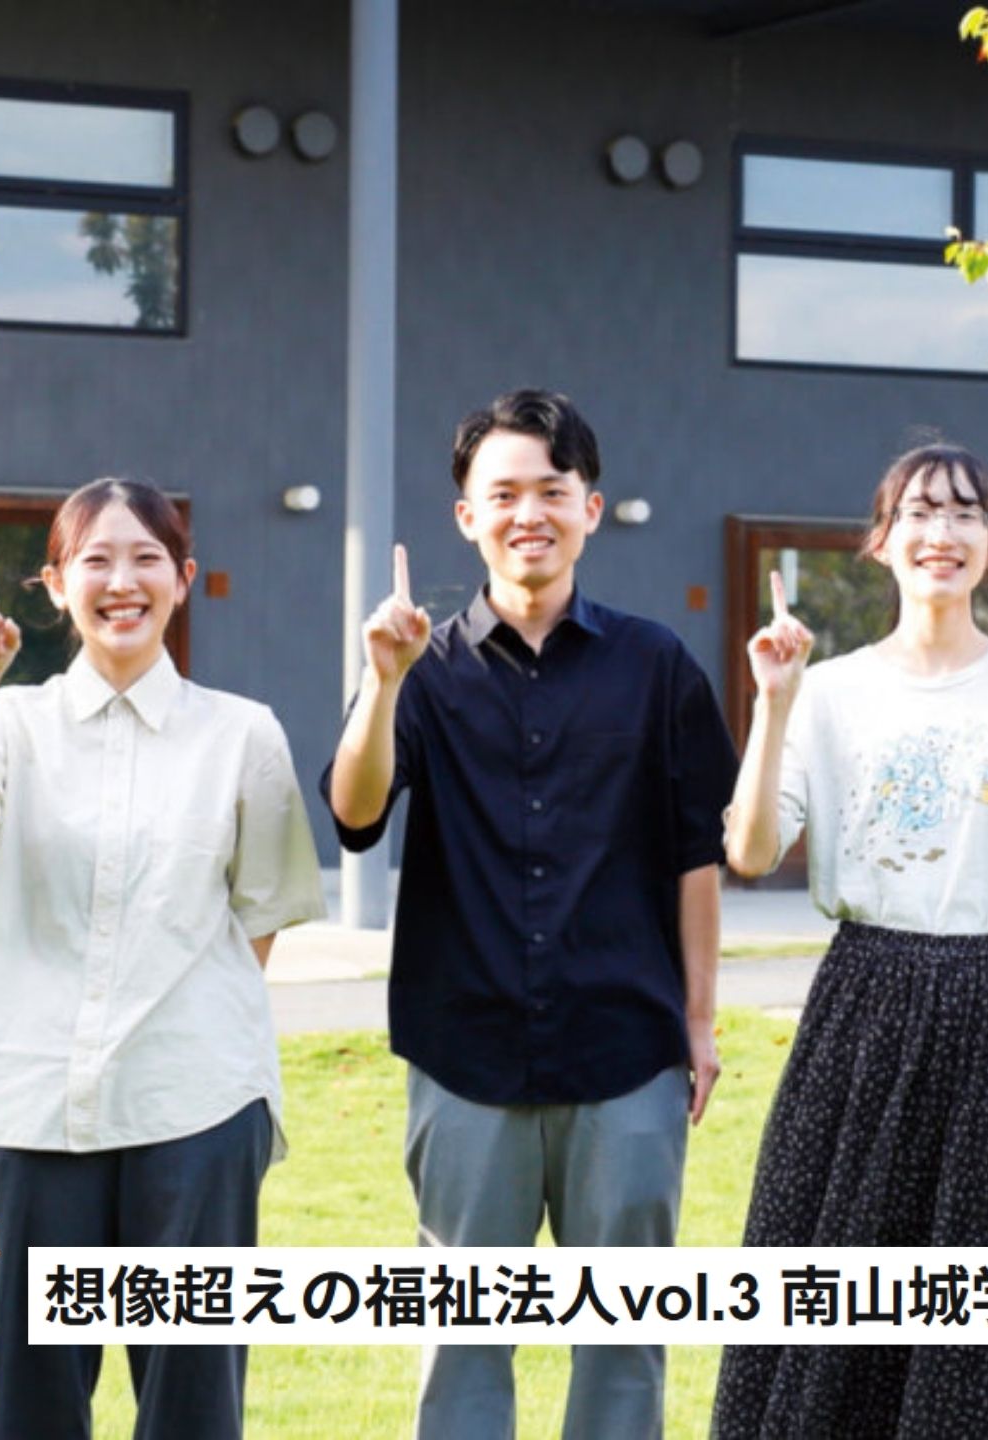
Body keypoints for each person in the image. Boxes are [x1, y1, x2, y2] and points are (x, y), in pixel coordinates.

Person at [324, 388, 739, 1440]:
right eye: (503, 494)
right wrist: (381, 682)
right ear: (467, 516)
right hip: (463, 1054)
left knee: (624, 1342)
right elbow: (355, 814)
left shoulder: (657, 667)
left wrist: (698, 1024)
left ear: (590, 508)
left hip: (627, 1053)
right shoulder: (420, 669)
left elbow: (696, 856)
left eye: (552, 491)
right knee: (463, 1342)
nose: (529, 514)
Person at [709, 443, 988, 1440]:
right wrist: (771, 705)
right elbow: (750, 851)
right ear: (882, 543)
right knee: (825, 1274)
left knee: (982, 1300)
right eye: (920, 513)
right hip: (863, 997)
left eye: (966, 513)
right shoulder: (827, 691)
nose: (943, 532)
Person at [0, 478, 325, 1440]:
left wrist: (180, 1028)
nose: (122, 581)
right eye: (95, 560)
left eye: (147, 559)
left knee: (191, 1407)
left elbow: (257, 923)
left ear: (184, 579)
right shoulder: (10, 722)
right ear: (57, 585)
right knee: (34, 1408)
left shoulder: (243, 734)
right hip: (30, 1109)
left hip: (195, 1108)